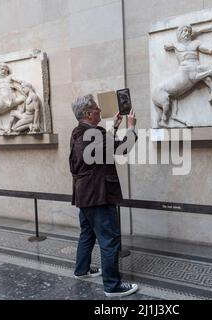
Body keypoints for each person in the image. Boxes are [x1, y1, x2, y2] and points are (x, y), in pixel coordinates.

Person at [69, 94, 138, 297]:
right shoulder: (91, 134)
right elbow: (121, 149)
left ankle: (81, 270)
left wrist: (116, 125)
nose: (100, 111)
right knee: (109, 239)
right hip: (98, 194)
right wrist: (132, 127)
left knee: (88, 233)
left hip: (85, 195)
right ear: (89, 114)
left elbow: (103, 146)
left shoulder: (80, 132)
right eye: (97, 109)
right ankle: (112, 286)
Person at [152, 24, 212, 127]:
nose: (186, 33)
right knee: (205, 69)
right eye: (183, 31)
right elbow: (166, 46)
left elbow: (211, 50)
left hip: (195, 67)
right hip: (184, 70)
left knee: (203, 68)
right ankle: (164, 120)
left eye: (188, 31)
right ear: (179, 34)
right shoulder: (176, 45)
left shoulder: (196, 43)